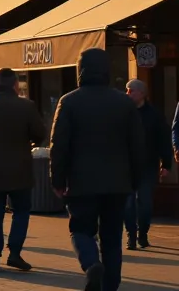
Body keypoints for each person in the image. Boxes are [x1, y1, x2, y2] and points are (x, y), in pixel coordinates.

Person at [49, 48, 146, 291]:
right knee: (112, 238)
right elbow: (137, 145)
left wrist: (57, 180)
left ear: (79, 70)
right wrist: (135, 180)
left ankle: (92, 264)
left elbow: (58, 145)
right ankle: (110, 285)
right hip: (117, 184)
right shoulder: (124, 103)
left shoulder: (69, 102)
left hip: (81, 183)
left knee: (81, 229)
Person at [0, 66, 48, 272]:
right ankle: (14, 253)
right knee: (21, 212)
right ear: (15, 85)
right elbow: (40, 134)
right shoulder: (27, 106)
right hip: (20, 170)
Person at [123, 79, 171, 250]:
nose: (128, 94)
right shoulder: (123, 112)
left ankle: (143, 233)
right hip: (126, 166)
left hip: (147, 166)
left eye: (131, 91)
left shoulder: (154, 115)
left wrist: (166, 164)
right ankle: (131, 235)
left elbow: (164, 140)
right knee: (128, 204)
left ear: (142, 94)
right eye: (127, 90)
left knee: (145, 203)